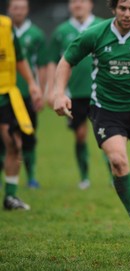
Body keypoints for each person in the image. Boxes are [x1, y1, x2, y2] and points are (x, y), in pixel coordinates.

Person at [52, 0, 130, 238]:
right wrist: (59, 93)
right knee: (118, 161)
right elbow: (66, 60)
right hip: (106, 110)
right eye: (122, 8)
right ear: (113, 9)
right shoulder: (95, 34)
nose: (127, 14)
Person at [46, 0, 104, 190]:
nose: (78, 4)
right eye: (74, 1)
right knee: (80, 135)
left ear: (90, 4)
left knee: (108, 135)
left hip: (102, 92)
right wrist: (52, 89)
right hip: (75, 94)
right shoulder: (61, 31)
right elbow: (53, 62)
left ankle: (114, 175)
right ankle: (84, 176)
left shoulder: (103, 26)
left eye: (82, 1)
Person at [1, 0, 48, 189]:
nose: (18, 11)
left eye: (22, 8)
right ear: (8, 9)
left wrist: (34, 86)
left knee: (22, 139)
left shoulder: (9, 28)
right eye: (15, 7)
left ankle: (27, 181)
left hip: (14, 95)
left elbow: (25, 60)